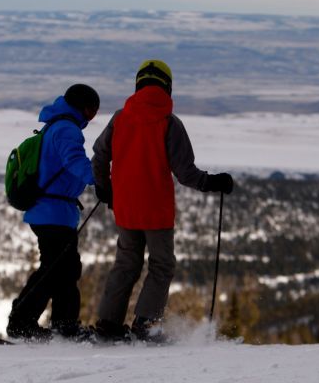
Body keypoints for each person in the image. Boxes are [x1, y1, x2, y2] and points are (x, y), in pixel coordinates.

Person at [92, 60, 234, 341]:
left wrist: (103, 187)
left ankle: (108, 325)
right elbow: (186, 173)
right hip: (156, 209)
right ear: (167, 87)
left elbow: (100, 154)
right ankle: (145, 327)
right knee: (161, 265)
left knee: (126, 264)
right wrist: (213, 182)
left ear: (138, 84)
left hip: (126, 207)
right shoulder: (170, 123)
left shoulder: (120, 118)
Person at [6, 84, 100, 341]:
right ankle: (26, 323)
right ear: (84, 107)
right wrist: (102, 180)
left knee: (63, 269)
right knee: (57, 268)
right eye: (92, 112)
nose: (91, 119)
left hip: (53, 210)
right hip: (53, 211)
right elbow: (75, 162)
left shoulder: (55, 125)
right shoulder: (67, 129)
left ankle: (62, 324)